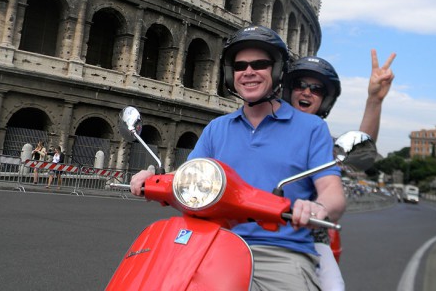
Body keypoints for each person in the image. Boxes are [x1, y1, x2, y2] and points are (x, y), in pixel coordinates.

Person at [131, 25, 346, 291]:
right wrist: (153, 180)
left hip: (278, 252)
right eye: (241, 66)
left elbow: (332, 191)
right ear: (231, 75)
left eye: (260, 64)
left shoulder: (311, 128)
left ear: (277, 71)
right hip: (212, 243)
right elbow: (188, 180)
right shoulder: (217, 128)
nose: (249, 72)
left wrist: (318, 207)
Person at [282, 49, 396, 291]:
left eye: (316, 89)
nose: (307, 92)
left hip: (306, 235)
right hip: (246, 228)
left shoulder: (320, 136)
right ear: (288, 89)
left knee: (332, 287)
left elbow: (357, 151)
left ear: (325, 100)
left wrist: (374, 100)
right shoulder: (261, 122)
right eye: (301, 85)